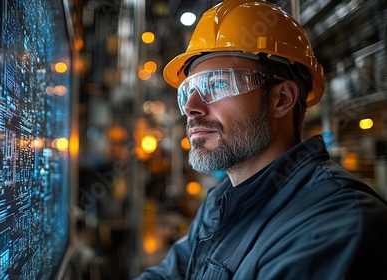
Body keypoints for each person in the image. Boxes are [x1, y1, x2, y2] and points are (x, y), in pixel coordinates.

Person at [135, 0, 387, 279]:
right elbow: (173, 272)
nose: (190, 106)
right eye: (188, 91)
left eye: (218, 84)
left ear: (282, 100)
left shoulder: (336, 225)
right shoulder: (221, 202)